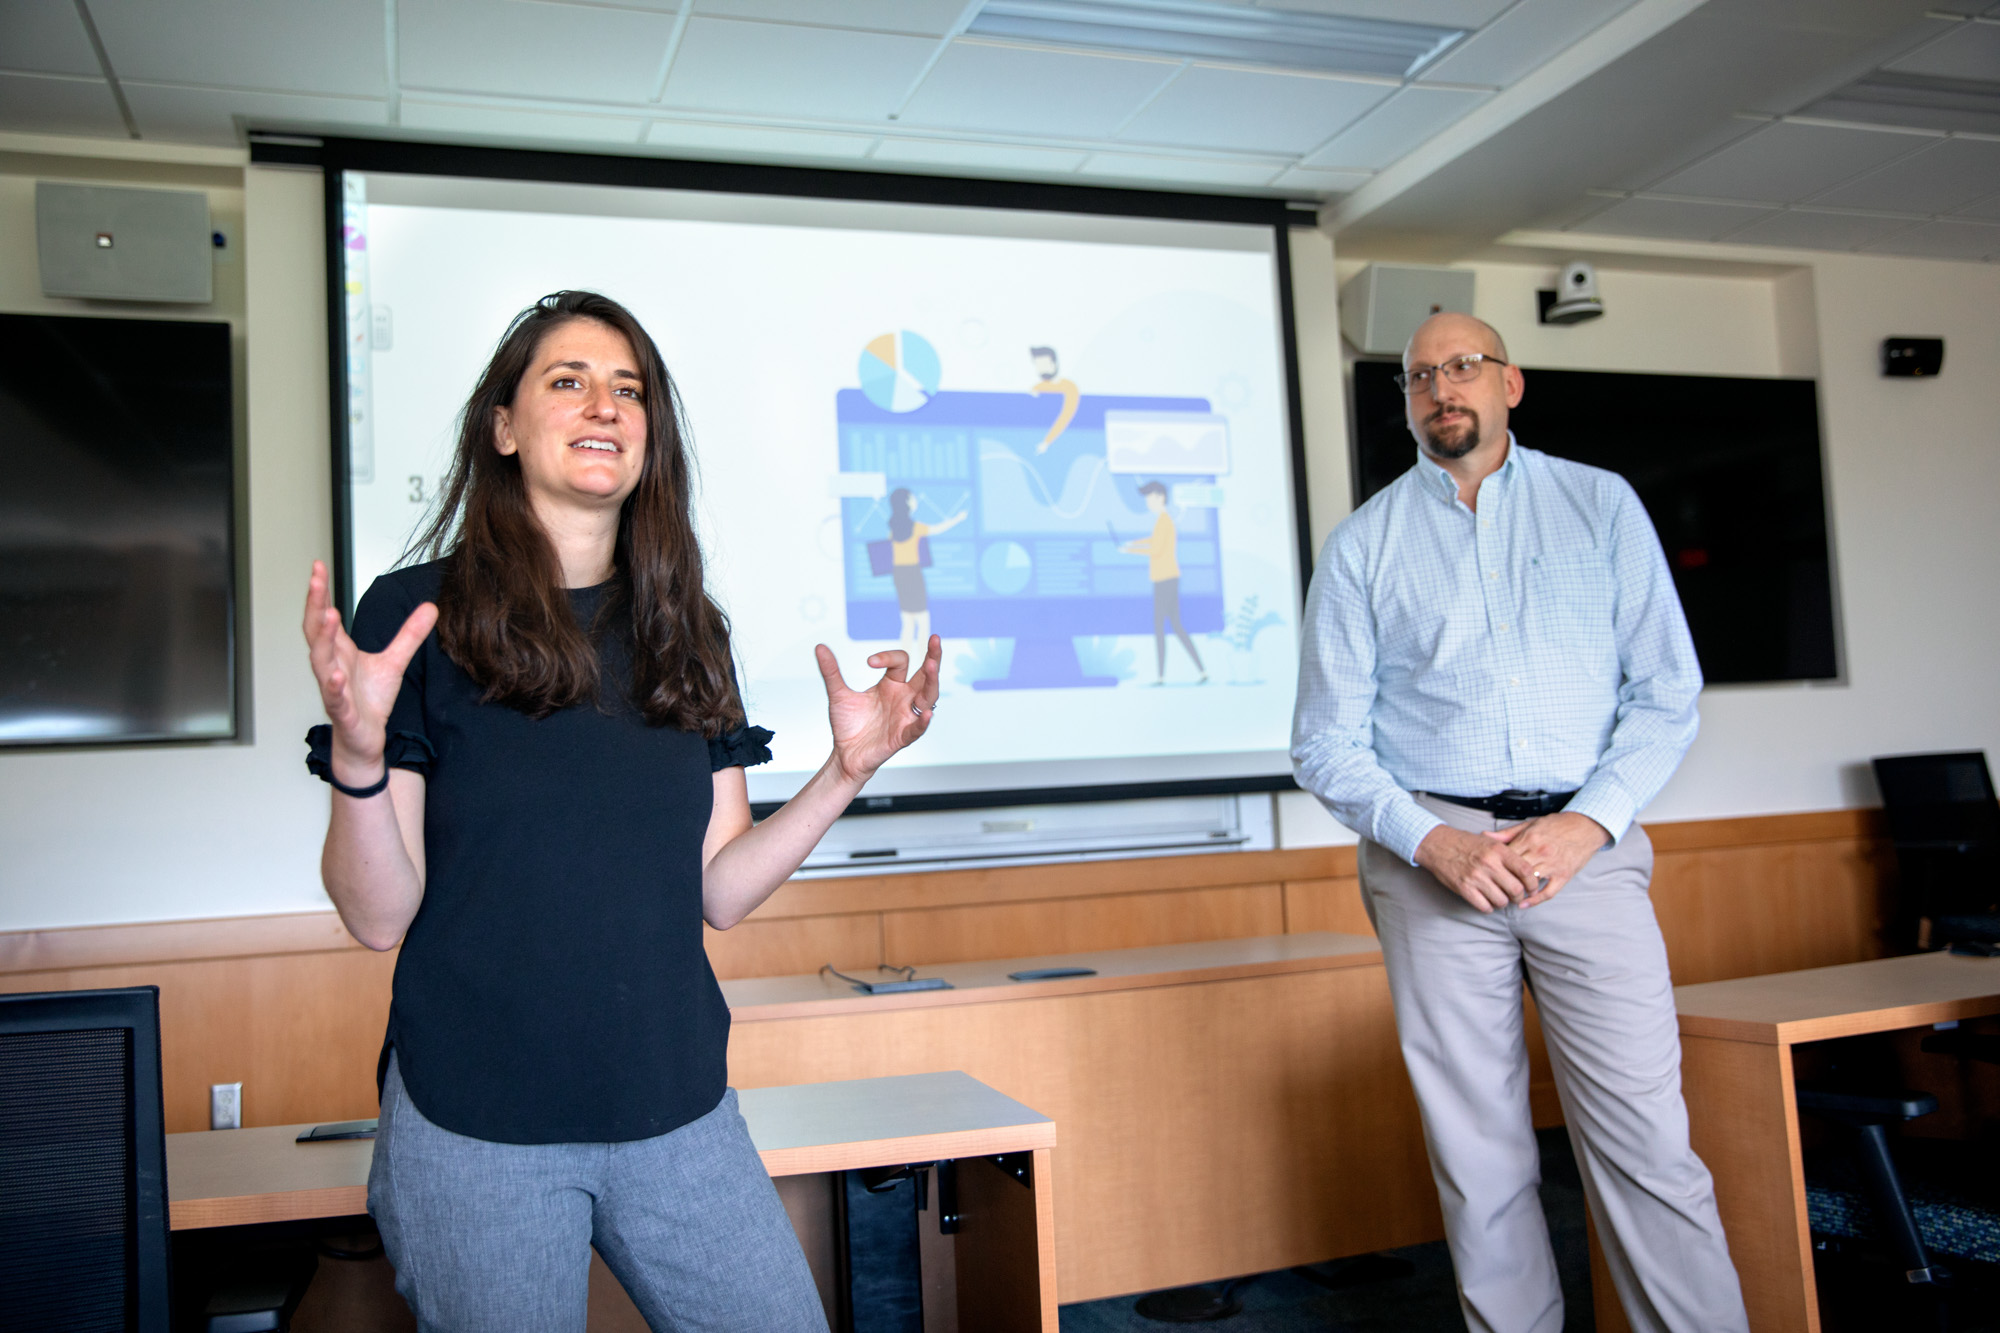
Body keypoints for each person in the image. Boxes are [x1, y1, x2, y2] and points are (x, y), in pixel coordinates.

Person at [302, 290, 942, 1333]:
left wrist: (842, 772)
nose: (604, 403)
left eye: (629, 388)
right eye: (568, 381)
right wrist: (360, 755)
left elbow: (719, 888)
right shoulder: (416, 616)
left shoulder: (687, 629)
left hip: (676, 1106)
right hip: (475, 1123)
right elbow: (378, 916)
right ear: (503, 428)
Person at [1290, 312, 1747, 1333]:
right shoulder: (1363, 545)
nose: (1439, 389)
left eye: (1461, 367)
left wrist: (1586, 825)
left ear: (1510, 383)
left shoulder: (1599, 505)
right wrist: (1432, 841)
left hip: (1584, 851)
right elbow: (1324, 741)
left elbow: (1666, 695)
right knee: (1478, 1157)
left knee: (1644, 1141)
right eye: (1417, 377)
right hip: (1430, 863)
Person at [1121, 481, 1206, 685]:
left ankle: (1163, 676)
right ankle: (1200, 671)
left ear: (1160, 497)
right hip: (1164, 579)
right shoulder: (1162, 522)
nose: (1148, 502)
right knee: (1174, 626)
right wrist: (1134, 543)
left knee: (1163, 626)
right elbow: (1153, 540)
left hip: (1166, 580)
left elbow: (1157, 549)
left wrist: (1129, 550)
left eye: (1150, 497)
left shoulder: (1165, 521)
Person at [886, 485, 966, 644]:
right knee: (922, 620)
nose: (915, 501)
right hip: (912, 573)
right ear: (906, 502)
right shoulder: (915, 527)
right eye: (912, 498)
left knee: (907, 621)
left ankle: (905, 656)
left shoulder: (893, 529)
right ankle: (923, 657)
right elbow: (938, 529)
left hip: (899, 574)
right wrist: (958, 519)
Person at [1027, 345, 1079, 453]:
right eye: (1038, 365)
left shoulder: (1069, 387)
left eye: (1044, 364)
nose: (1042, 369)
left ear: (1054, 363)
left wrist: (1047, 442)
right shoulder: (1037, 388)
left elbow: (1065, 416)